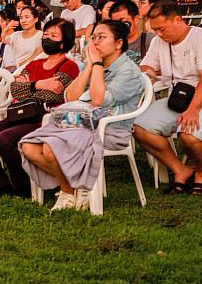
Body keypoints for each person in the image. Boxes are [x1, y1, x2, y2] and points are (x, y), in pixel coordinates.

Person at [20, 20, 145, 212]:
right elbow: (69, 96)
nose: (95, 43)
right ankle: (74, 187)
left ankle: (67, 193)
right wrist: (89, 67)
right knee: (28, 146)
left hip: (109, 130)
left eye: (101, 38)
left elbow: (98, 100)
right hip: (80, 125)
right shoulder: (96, 65)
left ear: (118, 43)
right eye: (93, 37)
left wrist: (95, 64)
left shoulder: (129, 72)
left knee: (51, 146)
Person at [0, 18, 80, 197]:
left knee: (4, 139)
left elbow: (53, 95)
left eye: (53, 36)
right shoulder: (35, 64)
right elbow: (15, 89)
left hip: (44, 118)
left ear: (63, 43)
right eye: (45, 34)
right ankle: (2, 185)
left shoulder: (69, 66)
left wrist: (29, 85)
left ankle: (24, 187)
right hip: (20, 114)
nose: (47, 38)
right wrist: (38, 84)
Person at [133, 0, 202, 195]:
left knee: (189, 132)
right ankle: (181, 170)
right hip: (178, 99)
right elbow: (146, 65)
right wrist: (150, 72)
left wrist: (193, 110)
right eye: (155, 30)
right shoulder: (158, 41)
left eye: (162, 29)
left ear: (177, 20)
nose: (159, 34)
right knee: (140, 127)